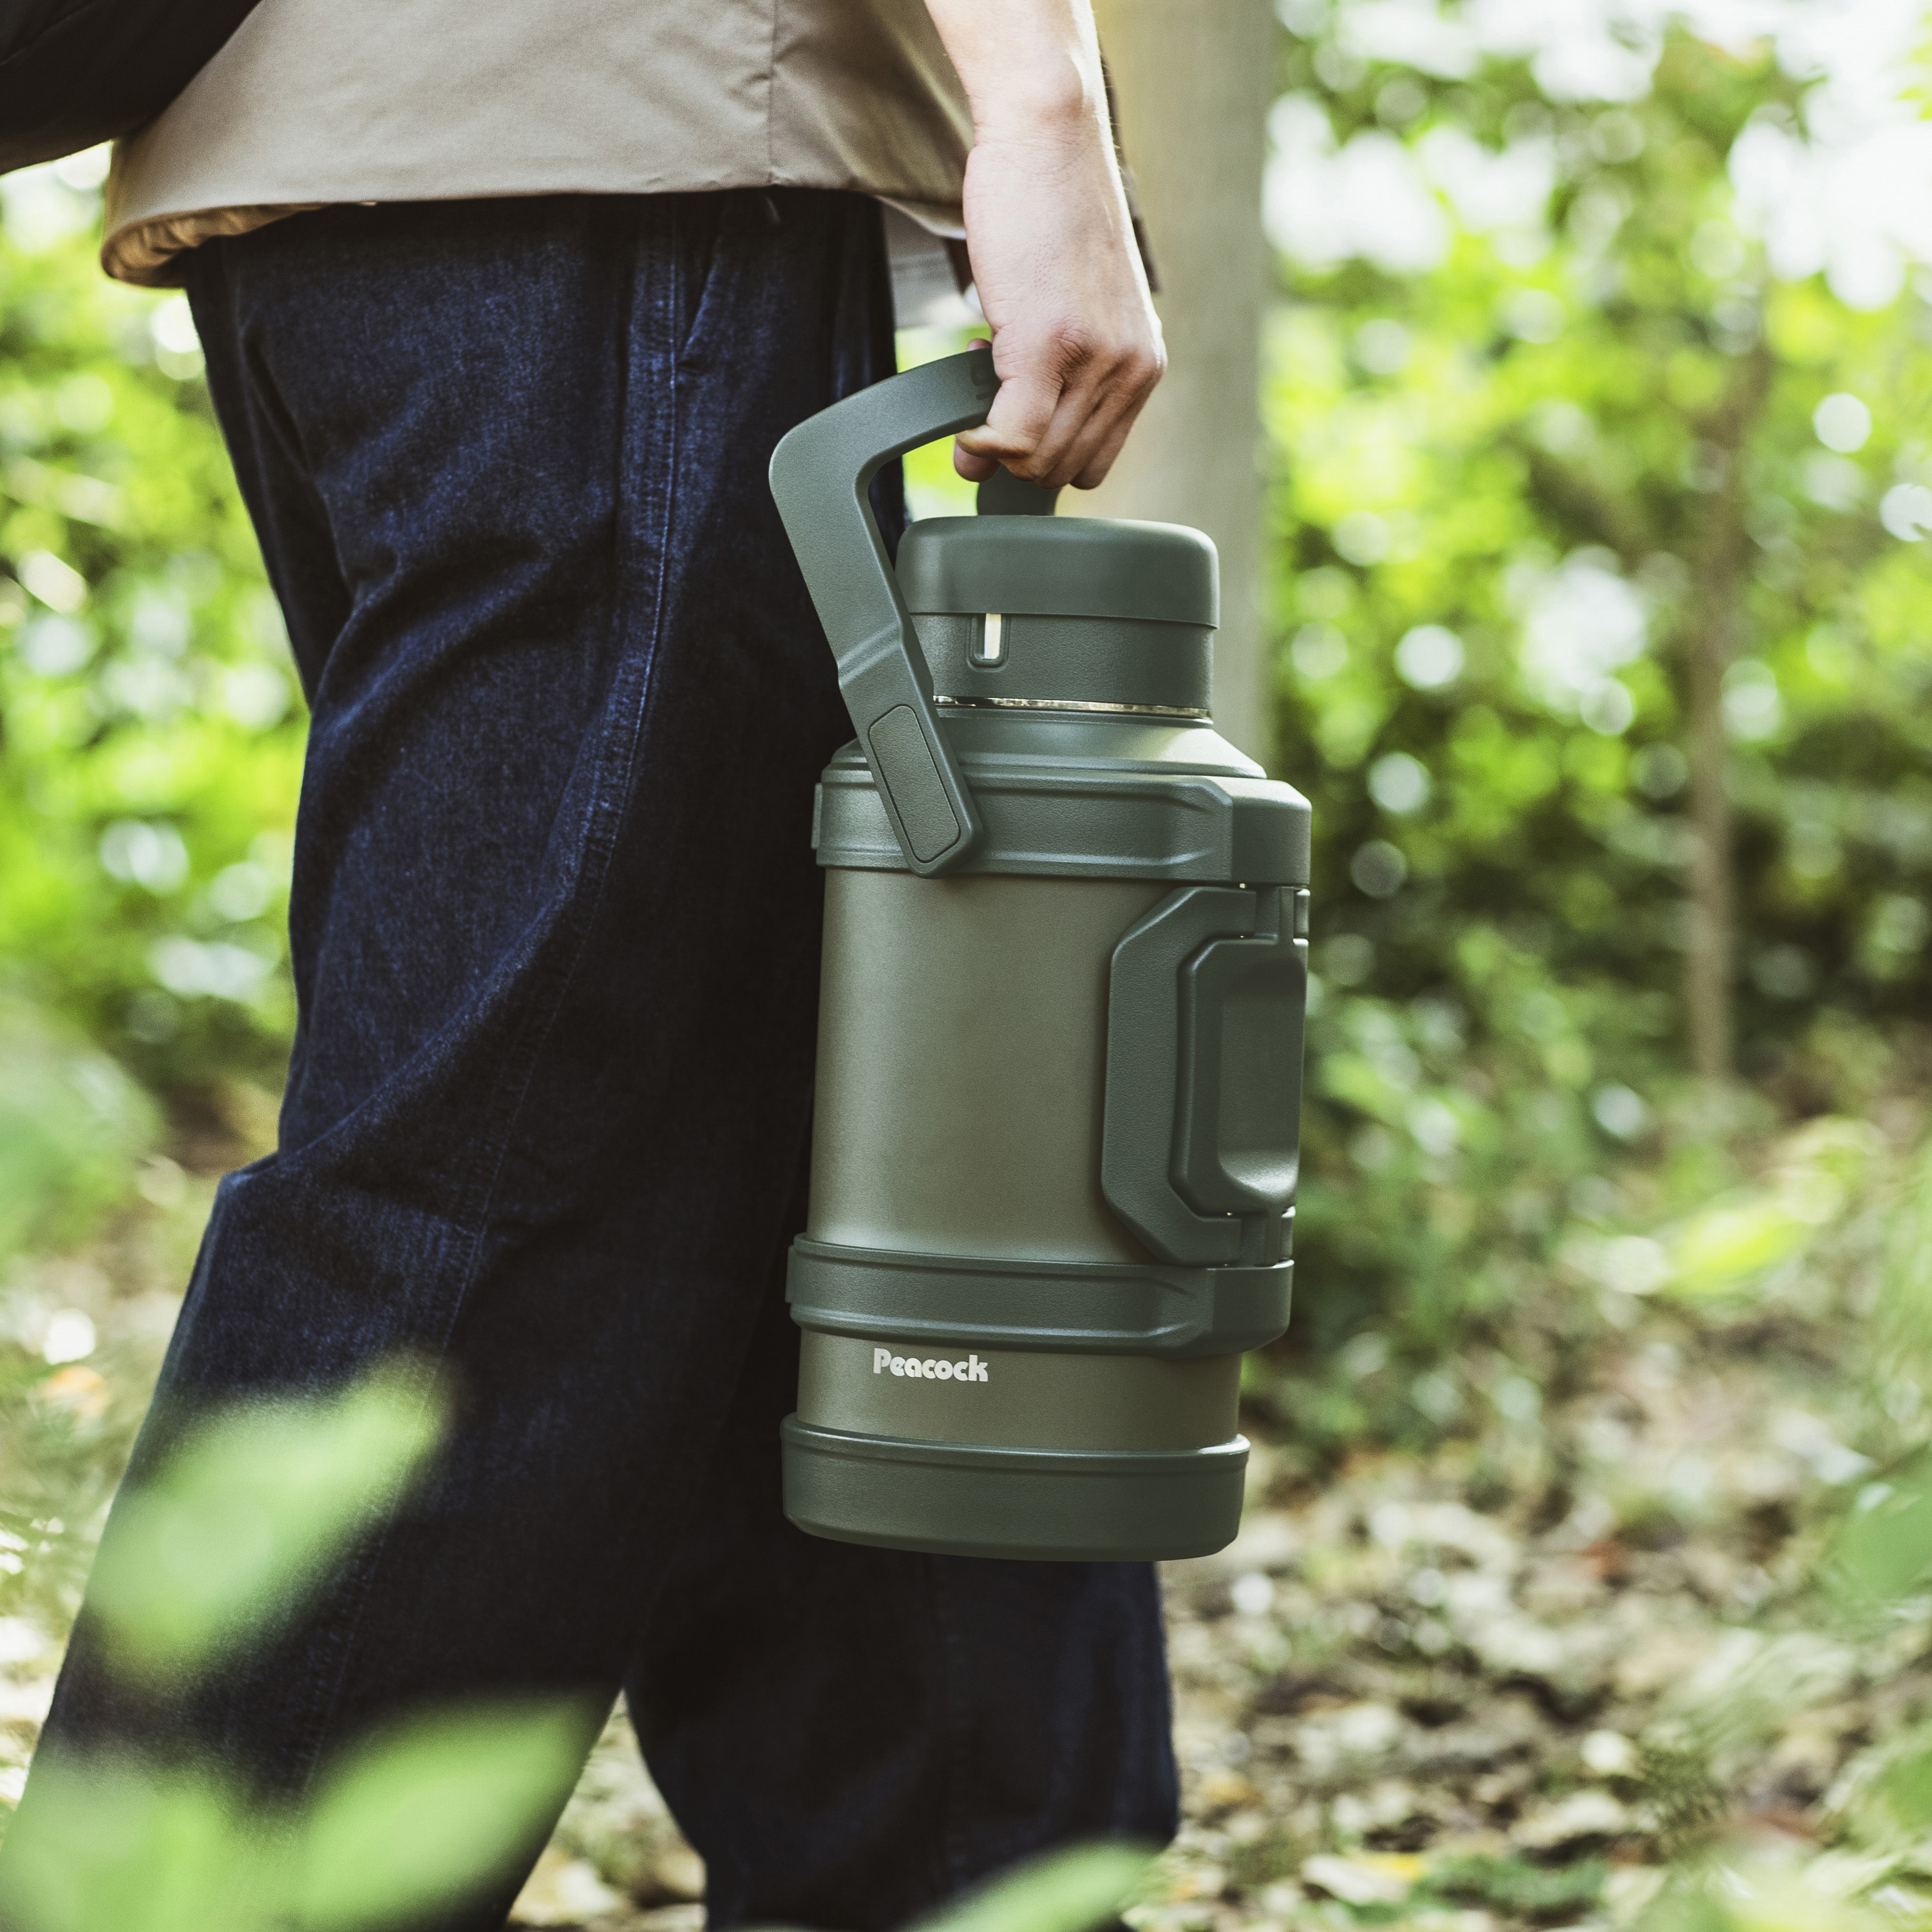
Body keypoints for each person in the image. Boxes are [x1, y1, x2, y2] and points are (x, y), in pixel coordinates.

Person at [2, 1, 1170, 1925]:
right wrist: (1041, 102)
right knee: (497, 1178)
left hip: (468, 196)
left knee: (875, 1179)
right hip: (623, 183)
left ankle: (973, 1886)